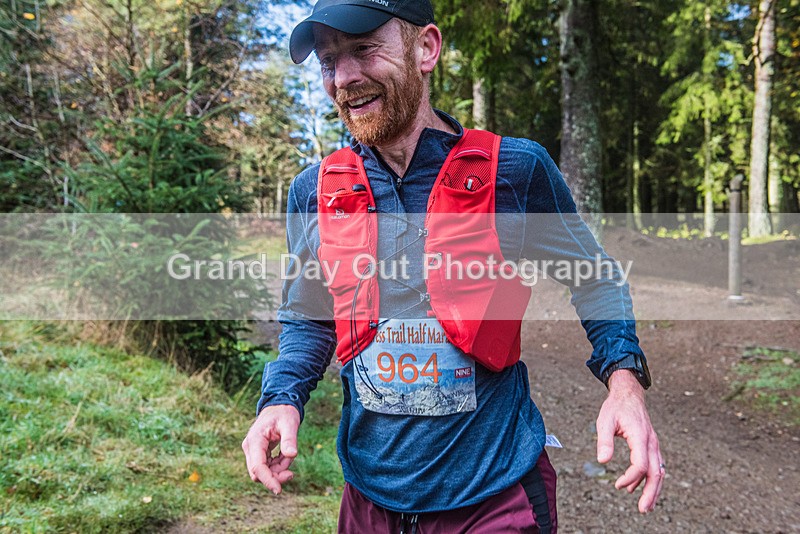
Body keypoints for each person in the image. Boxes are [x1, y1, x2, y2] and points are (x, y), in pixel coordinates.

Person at [242, 0, 664, 531]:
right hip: (370, 497)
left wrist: (625, 383)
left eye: (364, 49)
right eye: (329, 61)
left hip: (495, 495)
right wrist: (281, 400)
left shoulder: (516, 170)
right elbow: (307, 315)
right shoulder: (315, 191)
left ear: (426, 48)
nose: (344, 76)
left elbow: (595, 279)